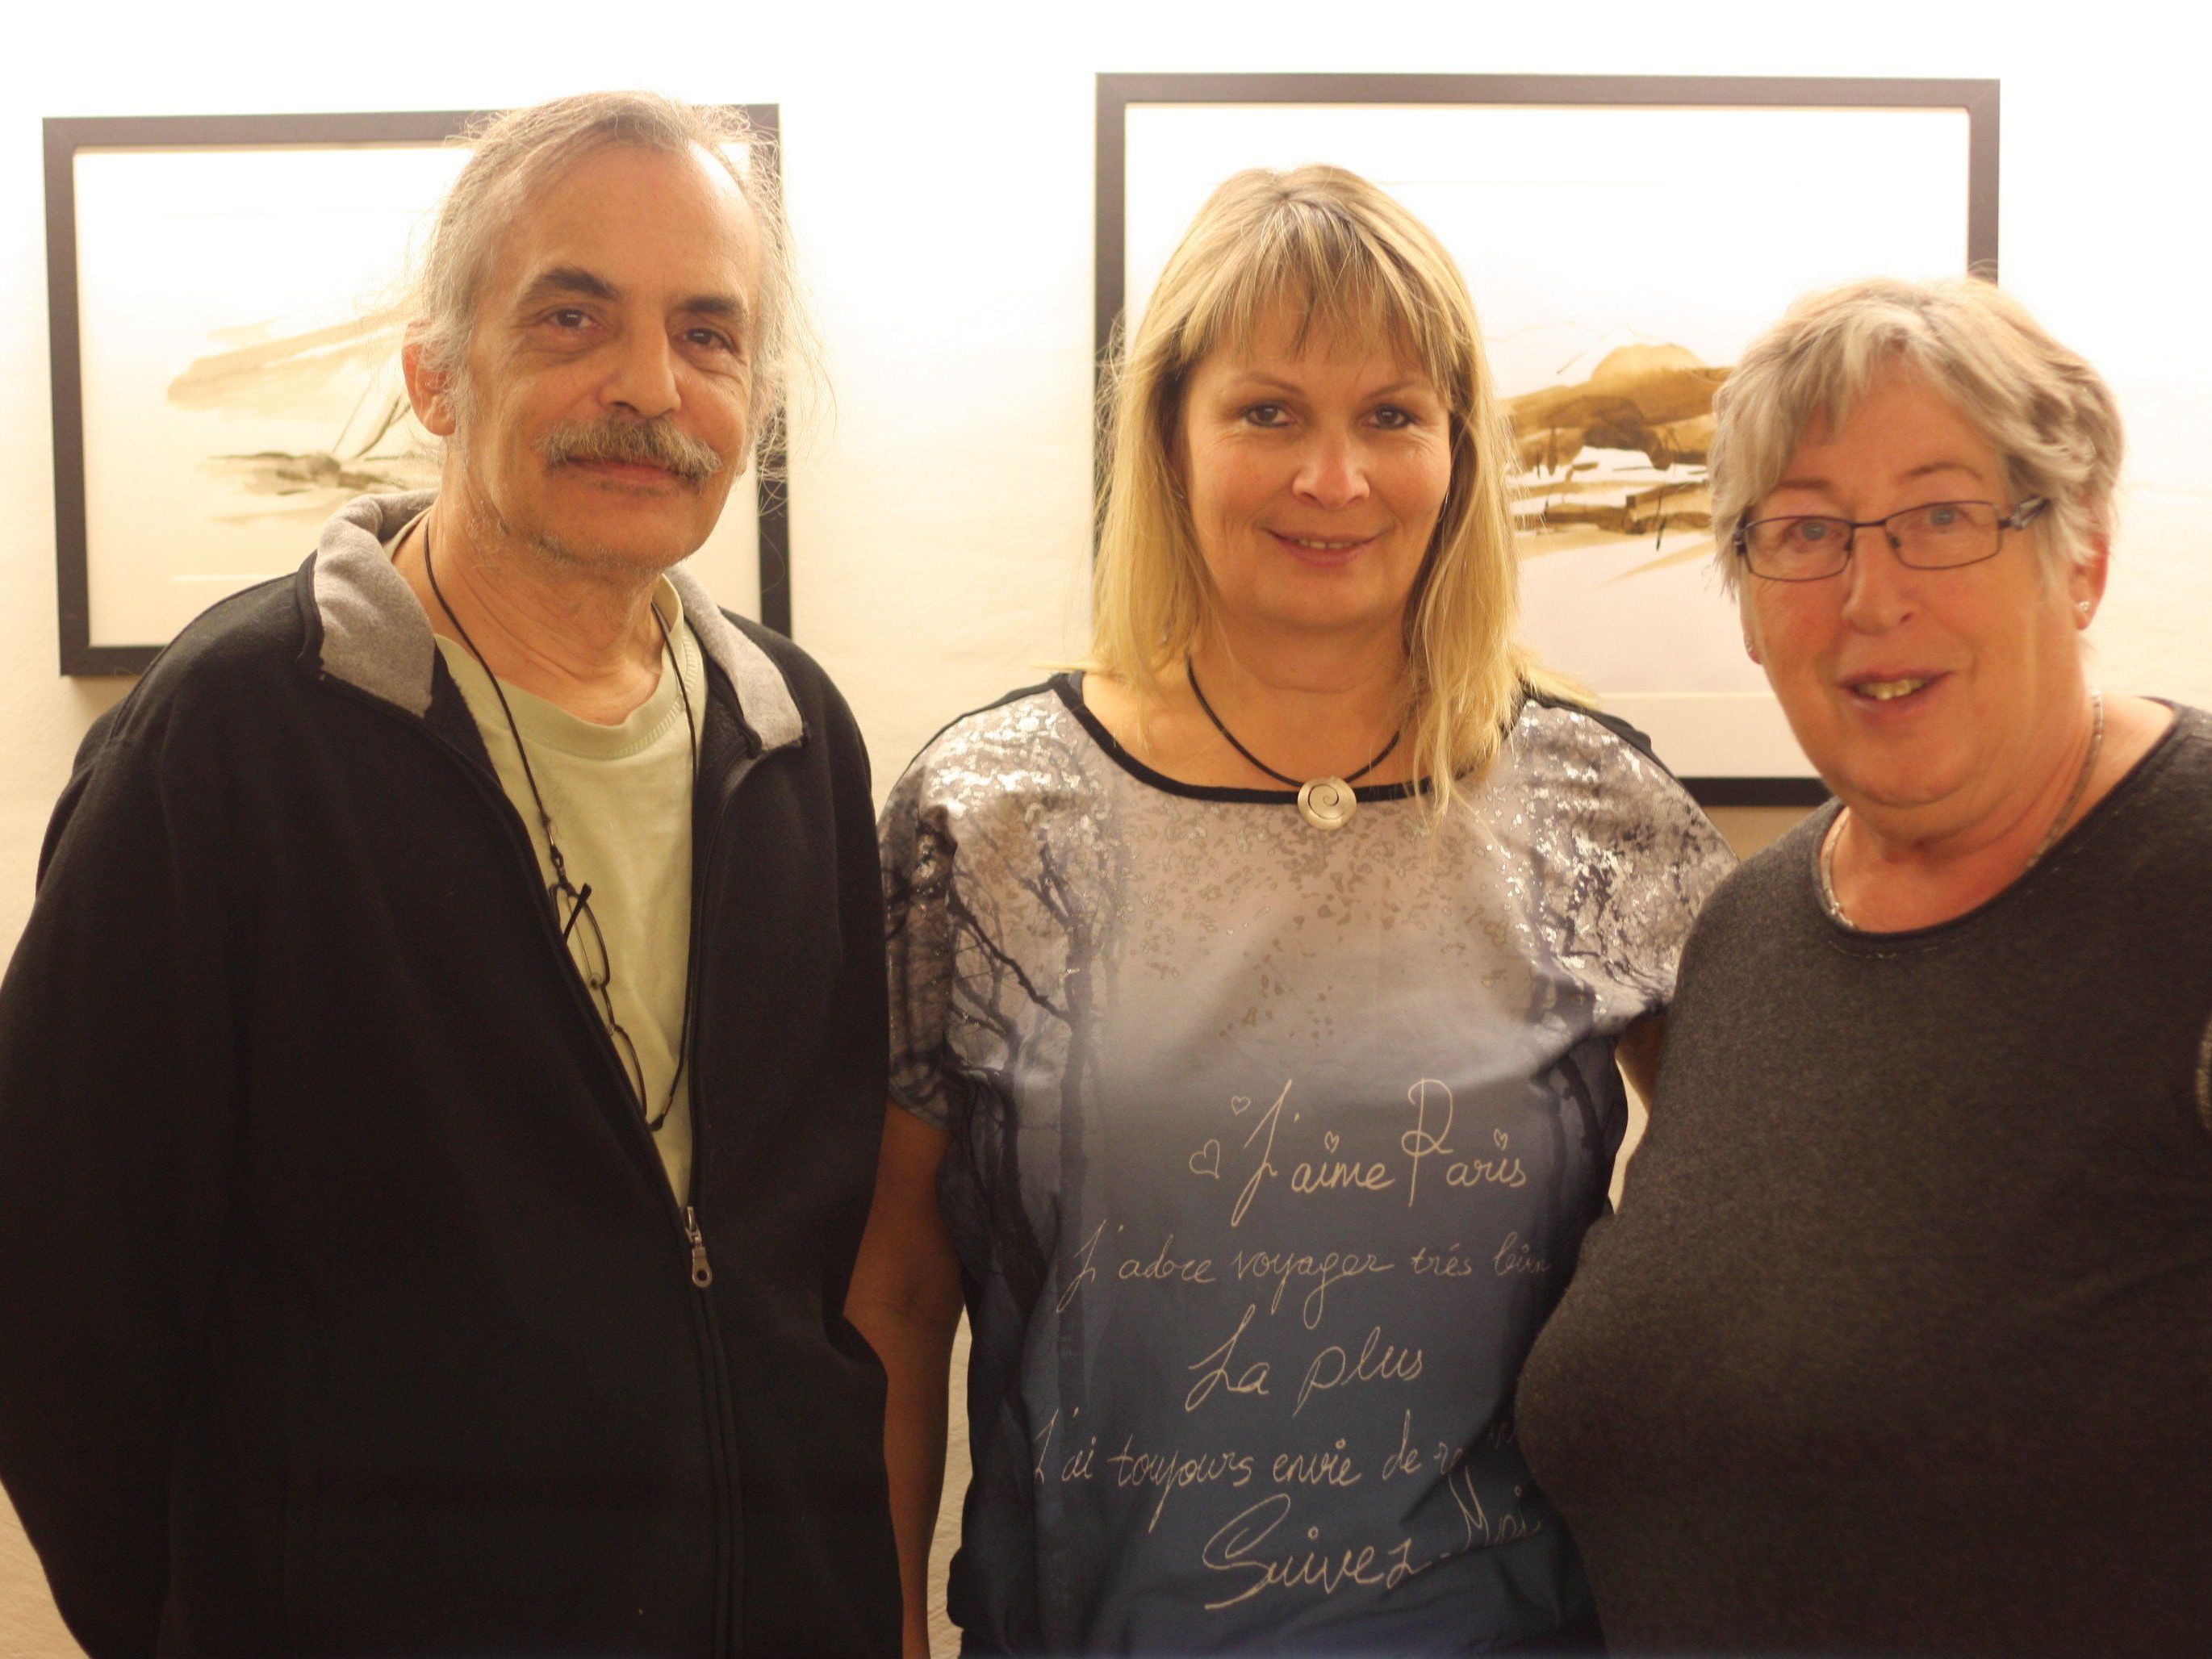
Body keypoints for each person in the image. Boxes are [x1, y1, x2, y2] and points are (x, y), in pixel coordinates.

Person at [0, 92, 897, 1657]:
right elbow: (51, 1295)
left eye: (708, 330)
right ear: (436, 371)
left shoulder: (794, 734)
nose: (648, 386)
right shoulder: (228, 744)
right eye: (572, 315)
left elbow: (797, 1262)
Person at [847, 165, 1734, 1656]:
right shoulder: (986, 815)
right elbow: (891, 1290)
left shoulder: (1596, 805)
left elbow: (1762, 1243)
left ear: (1455, 446)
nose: (1336, 479)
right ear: (1170, 437)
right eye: (1268, 412)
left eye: (1390, 414)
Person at [1516, 276, 2212, 1655]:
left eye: (1943, 517)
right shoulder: (1750, 929)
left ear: (2078, 559)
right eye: (1804, 532)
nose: (1867, 595)